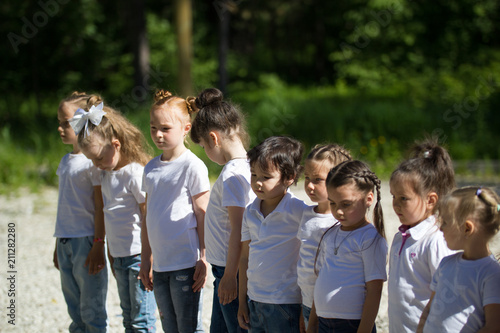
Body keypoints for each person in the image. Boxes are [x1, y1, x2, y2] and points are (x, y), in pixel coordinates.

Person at [71, 96, 157, 332]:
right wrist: (107, 250)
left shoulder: (134, 173)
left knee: (142, 319)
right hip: (119, 257)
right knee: (128, 316)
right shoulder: (105, 174)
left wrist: (150, 256)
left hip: (139, 256)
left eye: (98, 158)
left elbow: (147, 213)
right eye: (91, 160)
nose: (96, 164)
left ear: (116, 145)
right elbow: (107, 214)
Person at [139, 89, 210, 332]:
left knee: (188, 326)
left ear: (186, 129)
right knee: (169, 326)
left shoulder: (193, 166)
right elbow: (148, 216)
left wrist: (203, 256)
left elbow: (202, 214)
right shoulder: (150, 168)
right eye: (153, 128)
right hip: (160, 265)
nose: (158, 135)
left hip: (185, 262)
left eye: (165, 128)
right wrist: (145, 258)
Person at [190, 88, 255, 333]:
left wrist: (229, 277)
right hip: (225, 272)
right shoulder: (247, 166)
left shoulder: (231, 175)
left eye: (204, 146)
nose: (206, 154)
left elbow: (238, 230)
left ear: (214, 139)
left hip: (232, 273)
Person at [307, 160, 388, 333]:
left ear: (368, 199)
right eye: (333, 203)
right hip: (323, 322)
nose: (339, 211)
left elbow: (375, 291)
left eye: (346, 204)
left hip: (352, 325)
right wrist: (313, 321)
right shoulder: (330, 234)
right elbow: (321, 280)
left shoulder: (370, 239)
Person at [237, 136, 308, 333]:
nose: (258, 183)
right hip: (254, 300)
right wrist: (242, 301)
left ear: (289, 177)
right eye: (253, 175)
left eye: (266, 177)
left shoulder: (299, 211)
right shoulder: (250, 212)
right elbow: (244, 258)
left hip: (285, 303)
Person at [387, 139, 456, 333]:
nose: (396, 204)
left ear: (430, 200)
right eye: (393, 196)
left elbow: (447, 293)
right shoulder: (401, 236)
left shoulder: (434, 240)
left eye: (404, 198)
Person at [53, 91, 108, 332]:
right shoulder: (66, 161)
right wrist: (58, 245)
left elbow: (100, 206)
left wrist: (98, 243)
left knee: (91, 309)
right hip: (65, 241)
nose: (60, 128)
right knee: (74, 307)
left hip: (86, 242)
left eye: (66, 123)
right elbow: (64, 206)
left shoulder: (92, 163)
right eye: (59, 123)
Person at [417, 186, 500, 332]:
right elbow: (429, 310)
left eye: (446, 222)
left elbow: (493, 327)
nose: (440, 228)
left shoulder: (492, 274)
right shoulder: (446, 264)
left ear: (467, 228)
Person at [297, 144, 352, 331]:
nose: (309, 185)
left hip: (328, 308)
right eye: (307, 178)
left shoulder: (338, 223)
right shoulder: (305, 214)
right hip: (305, 301)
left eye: (318, 180)